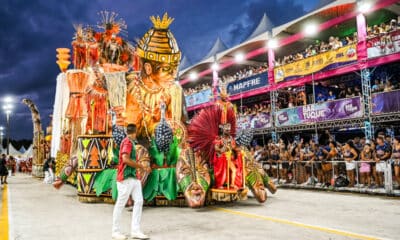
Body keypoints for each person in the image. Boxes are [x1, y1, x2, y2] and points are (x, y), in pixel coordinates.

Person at [112, 124, 151, 240]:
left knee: (139, 201)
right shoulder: (127, 142)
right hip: (125, 178)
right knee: (120, 204)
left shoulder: (131, 143)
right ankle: (115, 231)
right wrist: (142, 166)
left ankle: (135, 230)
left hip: (133, 178)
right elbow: (125, 159)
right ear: (135, 132)